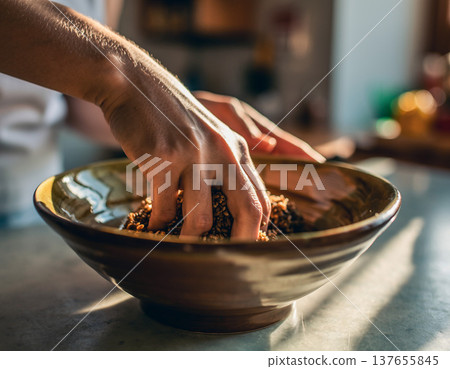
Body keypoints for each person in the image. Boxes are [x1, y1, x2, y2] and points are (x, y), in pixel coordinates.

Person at [0, 0, 323, 239]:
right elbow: (108, 79)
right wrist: (123, 75)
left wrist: (178, 121)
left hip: (29, 210)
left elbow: (80, 102)